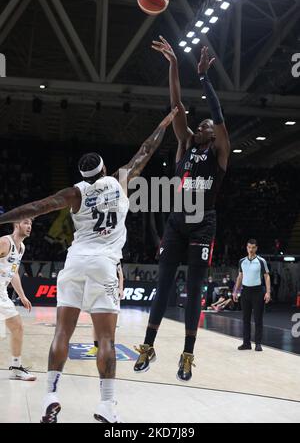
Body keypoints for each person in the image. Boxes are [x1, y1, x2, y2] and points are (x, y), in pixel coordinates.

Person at [0, 108, 178, 423]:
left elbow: (36, 207)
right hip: (105, 266)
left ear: (83, 176)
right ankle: (107, 406)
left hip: (75, 262)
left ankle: (50, 396)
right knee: (106, 340)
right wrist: (163, 124)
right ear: (104, 169)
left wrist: (1, 218)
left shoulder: (74, 193)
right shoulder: (119, 180)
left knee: (62, 334)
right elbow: (145, 151)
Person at [134, 38, 230, 381]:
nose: (204, 127)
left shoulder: (219, 153)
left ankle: (187, 354)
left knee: (193, 291)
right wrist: (174, 64)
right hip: (177, 222)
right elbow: (176, 105)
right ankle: (149, 345)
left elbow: (218, 117)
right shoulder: (186, 145)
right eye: (200, 126)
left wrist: (204, 79)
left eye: (207, 127)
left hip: (203, 223)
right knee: (162, 286)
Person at [0, 219, 36, 381]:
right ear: (16, 225)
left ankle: (16, 368)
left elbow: (13, 272)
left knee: (17, 327)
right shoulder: (4, 242)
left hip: (2, 293)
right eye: (26, 223)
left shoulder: (21, 247)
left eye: (30, 224)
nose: (29, 226)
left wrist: (22, 296)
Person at [233, 239, 271, 352]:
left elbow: (267, 276)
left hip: (258, 292)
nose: (251, 250)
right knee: (245, 318)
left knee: (258, 319)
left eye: (253, 247)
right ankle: (246, 343)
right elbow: (240, 277)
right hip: (245, 292)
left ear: (256, 248)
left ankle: (258, 343)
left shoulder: (261, 261)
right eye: (249, 247)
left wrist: (268, 292)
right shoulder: (242, 261)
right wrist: (235, 291)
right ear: (246, 247)